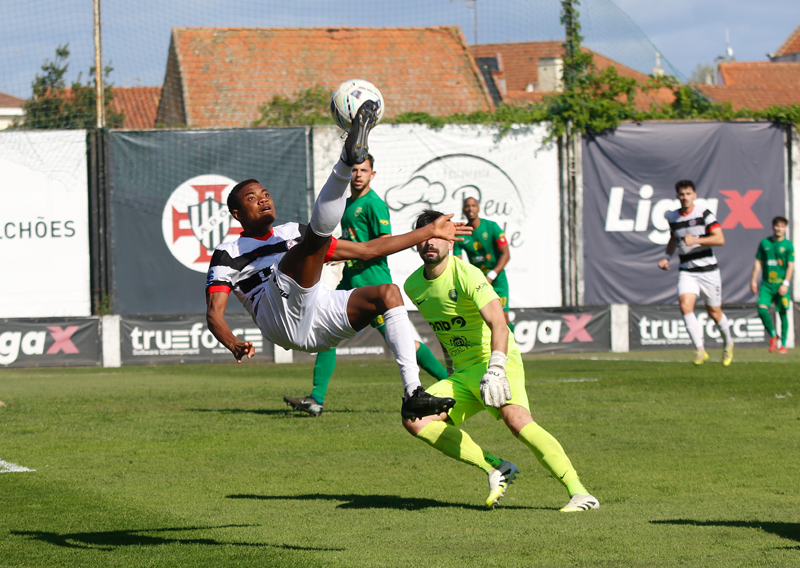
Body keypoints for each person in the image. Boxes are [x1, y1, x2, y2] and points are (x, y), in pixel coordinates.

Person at [205, 101, 459, 421]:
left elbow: (367, 251)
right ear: (237, 213)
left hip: (315, 320)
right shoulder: (229, 251)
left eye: (265, 193)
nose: (263, 199)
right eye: (252, 198)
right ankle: (345, 161)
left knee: (388, 293)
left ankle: (413, 394)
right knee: (309, 244)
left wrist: (426, 231)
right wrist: (233, 342)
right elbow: (214, 314)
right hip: (276, 315)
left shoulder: (291, 232)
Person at [401, 209, 599, 512]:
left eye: (437, 235)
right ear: (416, 243)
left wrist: (496, 368)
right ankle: (496, 468)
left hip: (497, 360)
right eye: (424, 236)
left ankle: (581, 493)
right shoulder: (413, 286)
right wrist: (450, 369)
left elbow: (499, 323)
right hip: (463, 372)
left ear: (450, 240)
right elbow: (443, 330)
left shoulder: (467, 273)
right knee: (415, 418)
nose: (430, 242)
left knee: (516, 421)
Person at [283, 155, 447, 417]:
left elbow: (384, 241)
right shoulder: (347, 204)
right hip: (350, 280)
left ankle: (448, 381)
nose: (358, 174)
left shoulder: (373, 204)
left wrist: (351, 253)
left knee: (402, 343)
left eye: (364, 170)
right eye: (355, 170)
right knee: (326, 336)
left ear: (373, 174)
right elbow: (351, 239)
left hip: (373, 282)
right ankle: (315, 398)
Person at [658, 179, 734, 366]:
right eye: (682, 194)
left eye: (688, 194)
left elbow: (720, 239)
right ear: (677, 196)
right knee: (685, 306)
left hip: (708, 271)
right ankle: (700, 350)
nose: (685, 198)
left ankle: (728, 342)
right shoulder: (673, 218)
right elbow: (673, 239)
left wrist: (698, 240)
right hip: (687, 271)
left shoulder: (704, 214)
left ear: (695, 195)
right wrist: (667, 256)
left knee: (714, 313)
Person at [453, 197, 513, 330]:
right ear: (463, 210)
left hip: (497, 279)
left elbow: (506, 254)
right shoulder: (462, 232)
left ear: (478, 208)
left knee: (503, 316)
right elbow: (457, 262)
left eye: (473, 205)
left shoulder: (492, 227)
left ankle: (512, 349)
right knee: (484, 317)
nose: (470, 209)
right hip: (479, 281)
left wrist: (491, 276)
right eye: (467, 206)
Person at [750, 216, 794, 354]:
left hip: (781, 285)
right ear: (773, 227)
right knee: (762, 310)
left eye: (782, 226)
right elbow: (758, 262)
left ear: (785, 228)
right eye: (777, 226)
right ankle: (773, 335)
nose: (779, 229)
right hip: (767, 285)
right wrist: (753, 279)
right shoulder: (764, 243)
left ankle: (784, 345)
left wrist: (785, 284)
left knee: (782, 313)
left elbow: (791, 266)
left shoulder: (788, 245)